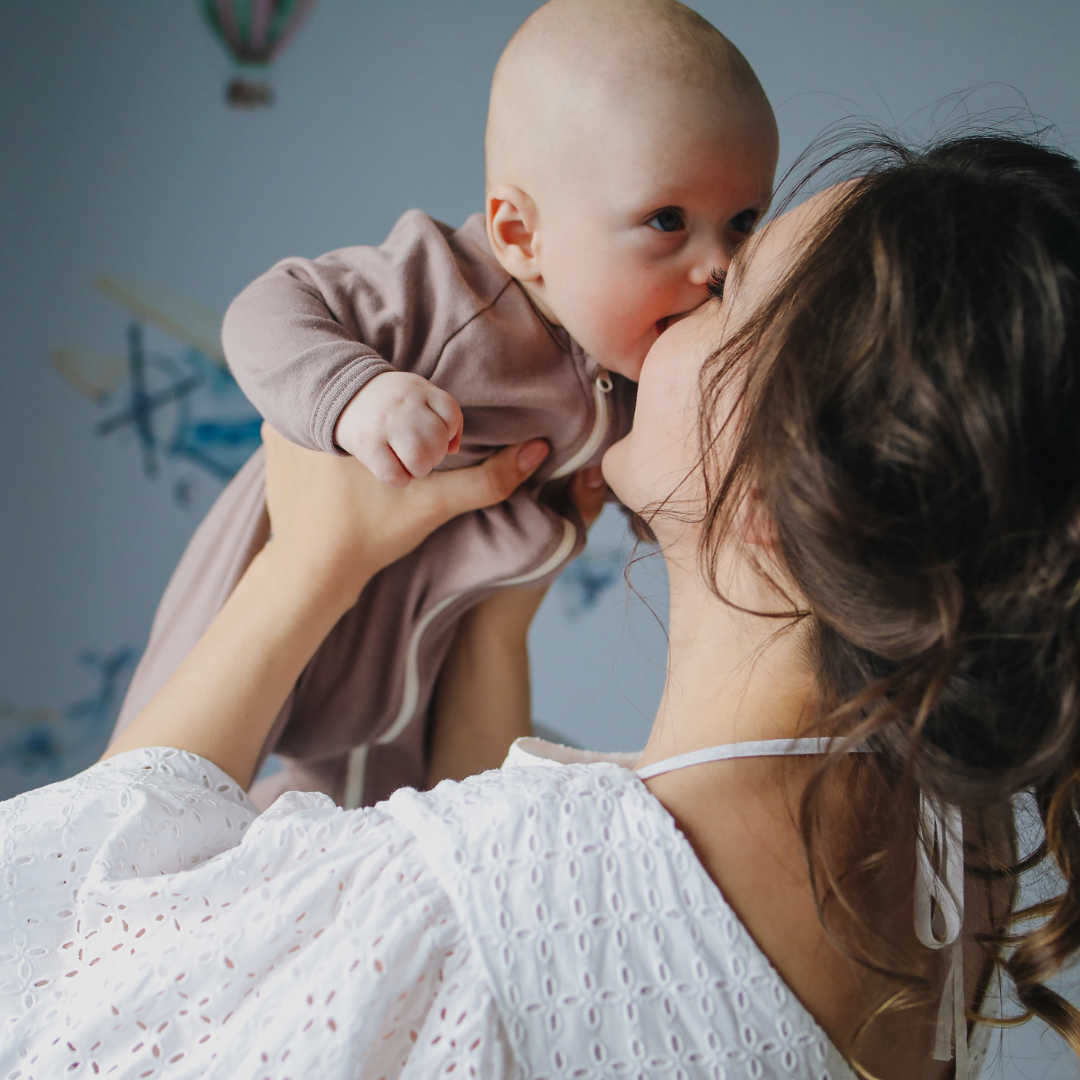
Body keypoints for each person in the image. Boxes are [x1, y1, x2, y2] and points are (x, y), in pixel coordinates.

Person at [5, 131, 1080, 1079]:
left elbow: (52, 974)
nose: (677, 303)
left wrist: (303, 570)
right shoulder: (947, 865)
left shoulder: (480, 901)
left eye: (731, 294)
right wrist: (498, 609)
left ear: (779, 488)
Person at [109, 0, 779, 812]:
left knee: (371, 824)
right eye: (667, 221)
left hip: (421, 644)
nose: (717, 266)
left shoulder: (638, 359)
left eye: (743, 224)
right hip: (283, 572)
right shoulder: (446, 291)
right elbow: (267, 307)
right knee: (154, 796)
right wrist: (356, 393)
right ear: (519, 234)